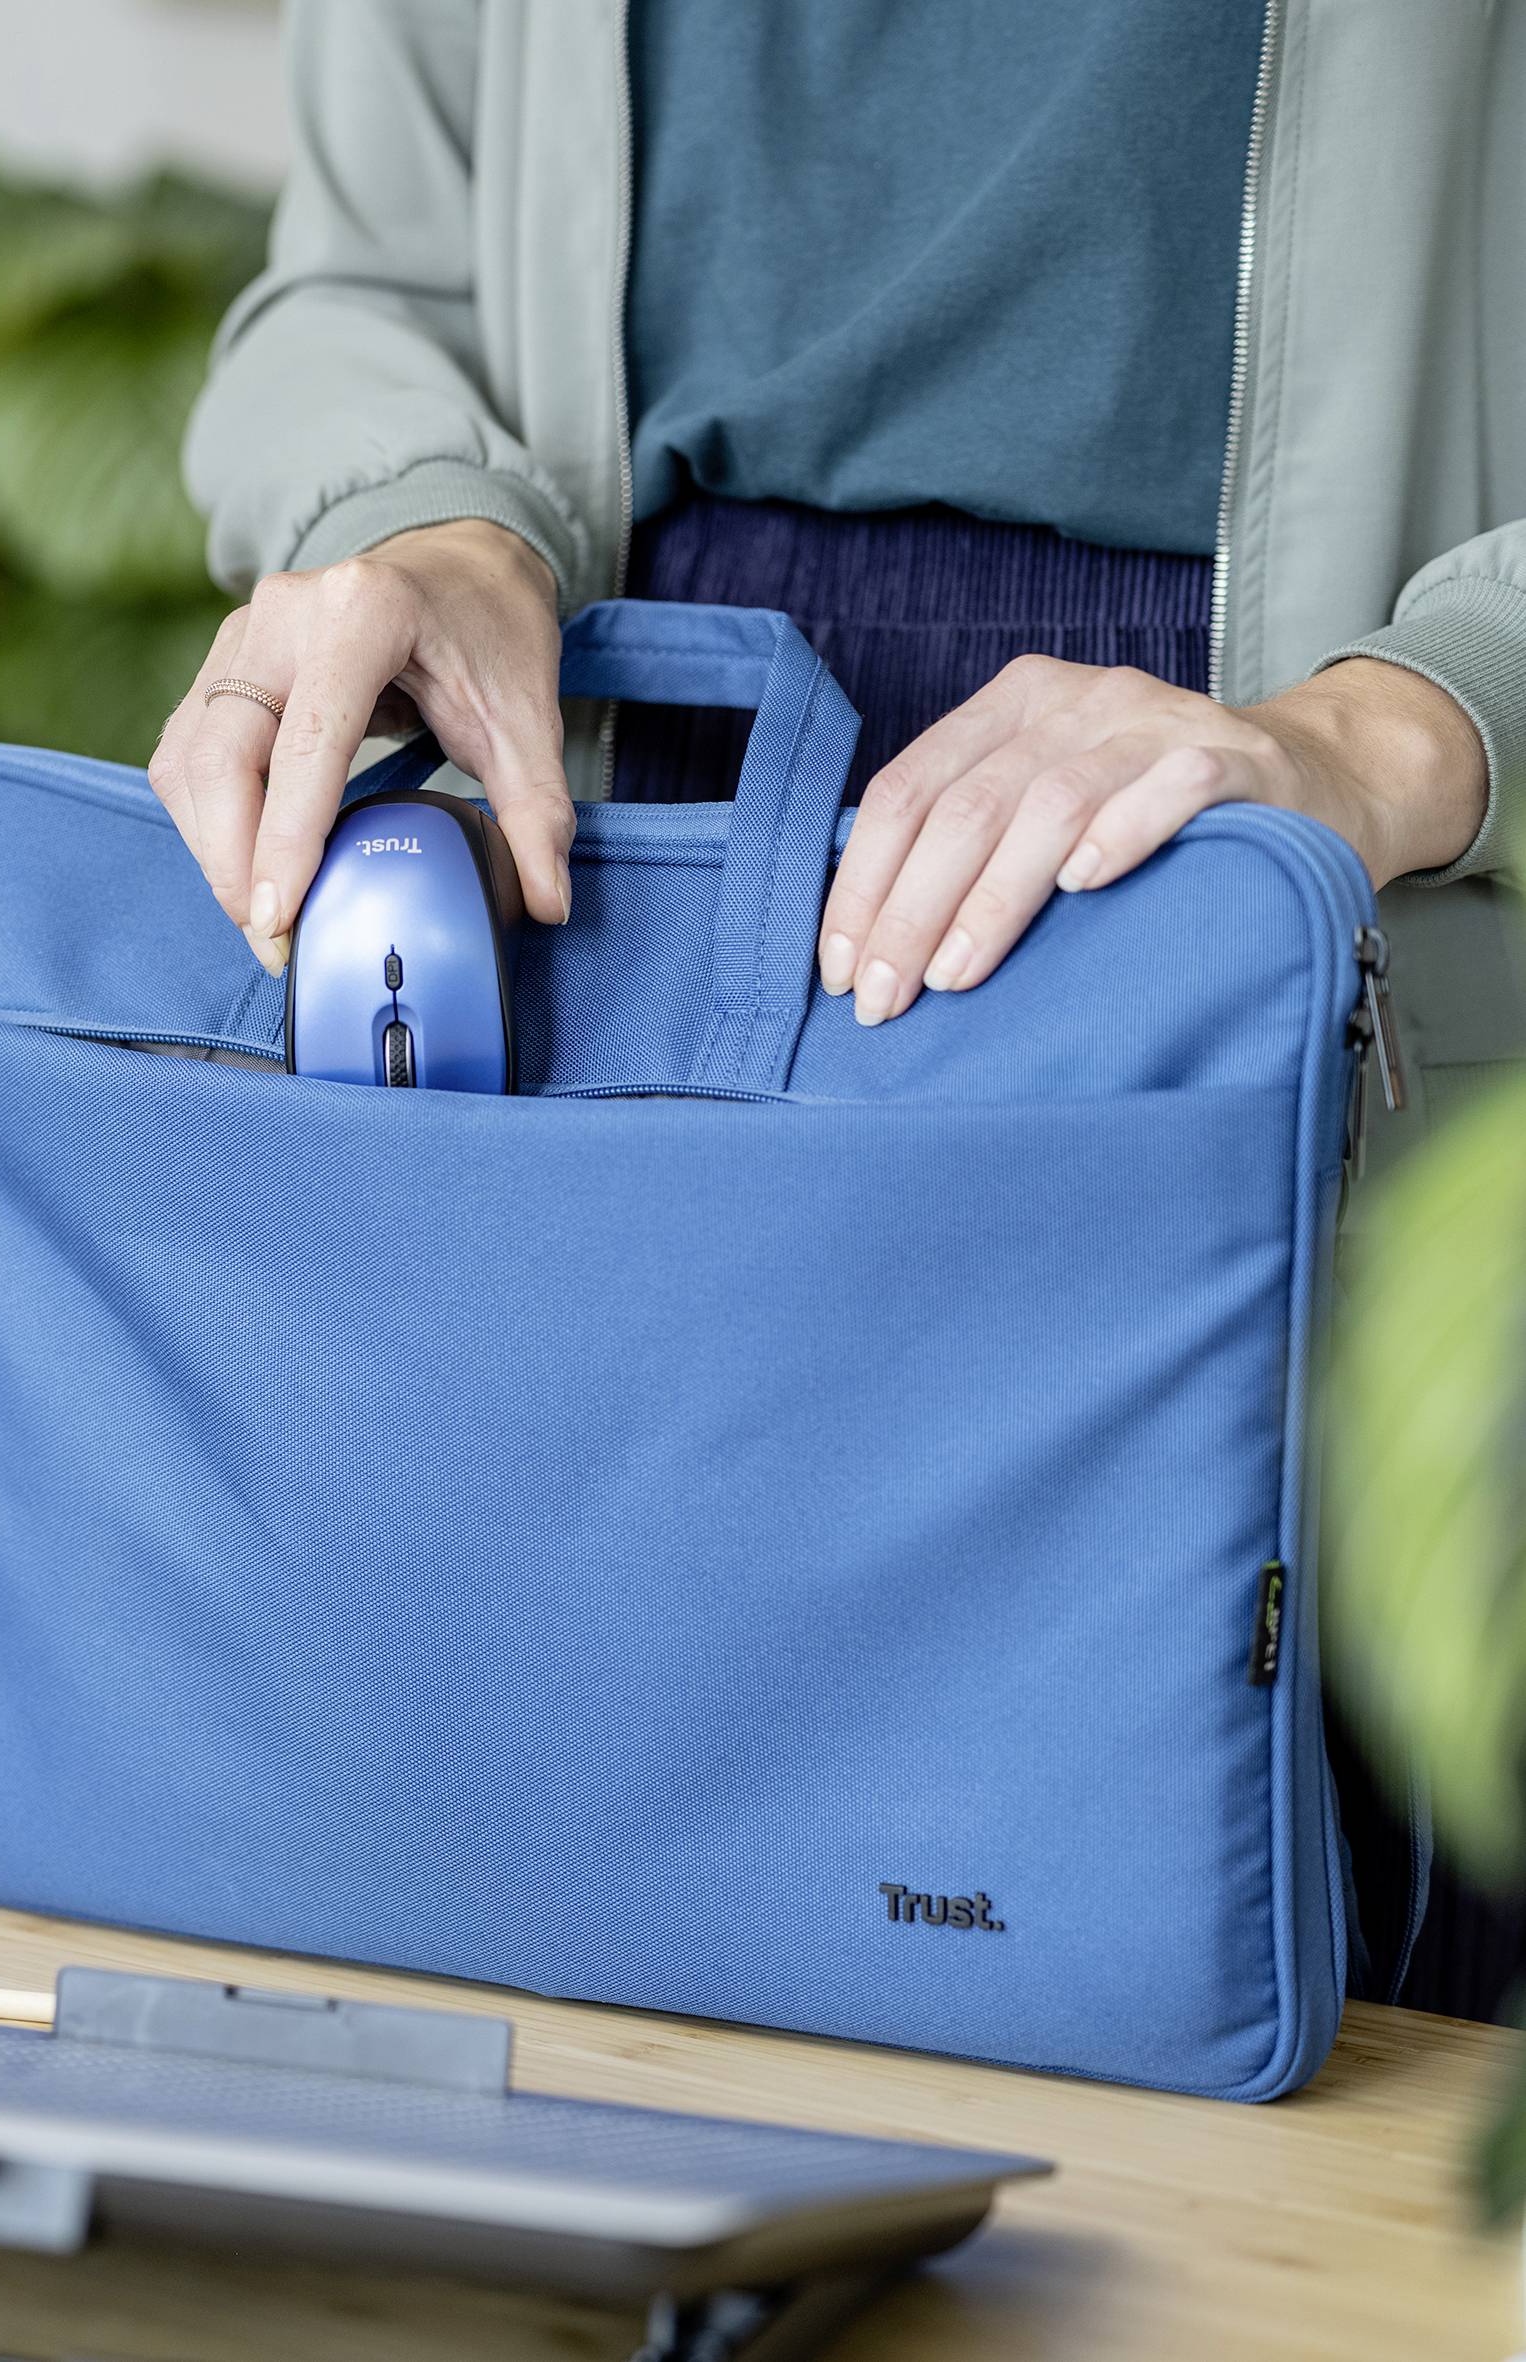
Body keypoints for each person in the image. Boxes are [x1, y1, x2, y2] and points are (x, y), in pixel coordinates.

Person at [158, 4, 1523, 2013]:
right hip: (618, 810)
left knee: (1247, 2017)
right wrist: (419, 513)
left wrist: (1385, 732)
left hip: (1248, 856)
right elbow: (356, 285)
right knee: (573, 1996)